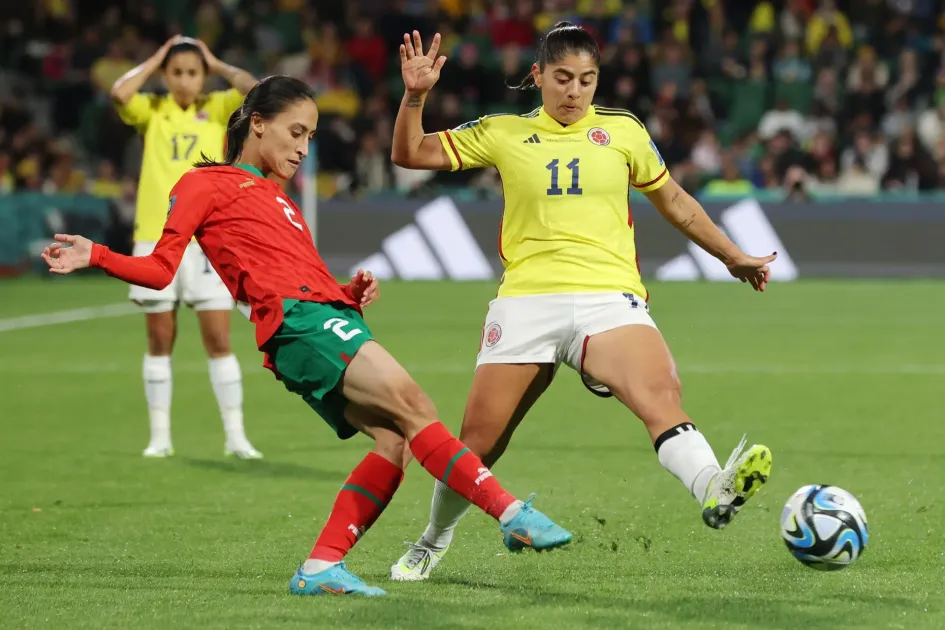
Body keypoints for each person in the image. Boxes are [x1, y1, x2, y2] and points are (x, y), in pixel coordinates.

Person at [42, 75, 572, 597]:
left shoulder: (280, 199)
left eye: (311, 137)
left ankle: (321, 566)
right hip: (298, 324)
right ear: (258, 123)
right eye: (295, 132)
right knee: (416, 406)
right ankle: (509, 512)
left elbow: (291, 273)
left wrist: (347, 291)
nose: (304, 148)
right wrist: (98, 255)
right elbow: (161, 270)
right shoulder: (203, 183)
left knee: (394, 442)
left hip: (316, 318)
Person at [388, 25, 776, 581]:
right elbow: (409, 153)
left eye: (587, 80)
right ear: (538, 76)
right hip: (527, 300)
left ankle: (713, 487)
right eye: (563, 78)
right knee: (479, 444)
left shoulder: (623, 132)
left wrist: (731, 255)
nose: (574, 91)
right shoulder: (502, 132)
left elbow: (676, 202)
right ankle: (432, 539)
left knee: (660, 395)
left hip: (608, 298)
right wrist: (416, 96)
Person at [110, 36, 260, 458]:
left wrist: (216, 62)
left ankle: (236, 436)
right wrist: (157, 55)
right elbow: (120, 92)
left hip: (208, 238)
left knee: (219, 339)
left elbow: (255, 89)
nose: (184, 80)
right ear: (166, 76)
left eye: (193, 72)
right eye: (176, 72)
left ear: (203, 75)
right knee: (159, 339)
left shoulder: (216, 109)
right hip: (156, 237)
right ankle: (160, 437)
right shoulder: (153, 111)